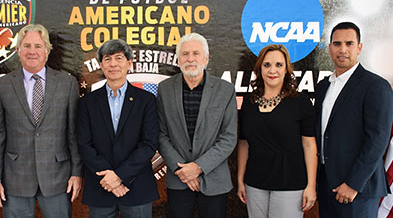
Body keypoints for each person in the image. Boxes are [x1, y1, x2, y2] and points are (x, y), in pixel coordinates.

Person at [0, 24, 82, 217]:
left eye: (38, 46)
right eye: (26, 46)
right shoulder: (3, 85)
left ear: (47, 51)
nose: (32, 52)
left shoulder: (67, 83)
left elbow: (73, 133)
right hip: (15, 178)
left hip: (58, 177)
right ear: (18, 51)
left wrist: (77, 173)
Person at [316, 22, 393, 217]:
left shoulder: (375, 86)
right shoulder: (323, 86)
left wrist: (353, 184)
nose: (342, 49)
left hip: (359, 189)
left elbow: (378, 139)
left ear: (359, 47)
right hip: (327, 185)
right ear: (330, 48)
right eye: (337, 43)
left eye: (349, 43)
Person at [157, 32, 237, 218]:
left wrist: (198, 167)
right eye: (185, 54)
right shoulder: (165, 89)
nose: (190, 59)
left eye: (196, 53)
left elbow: (229, 137)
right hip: (179, 179)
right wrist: (183, 170)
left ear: (206, 59)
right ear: (178, 60)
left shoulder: (225, 90)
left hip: (214, 179)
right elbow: (161, 134)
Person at [77, 39, 159, 218]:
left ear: (129, 63)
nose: (113, 64)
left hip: (137, 187)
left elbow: (149, 144)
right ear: (101, 65)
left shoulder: (147, 100)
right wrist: (109, 179)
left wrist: (119, 176)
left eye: (119, 58)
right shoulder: (87, 103)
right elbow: (84, 144)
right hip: (101, 187)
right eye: (107, 59)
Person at [236, 44, 317, 217]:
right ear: (259, 69)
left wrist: (311, 186)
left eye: (279, 65)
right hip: (254, 184)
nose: (272, 70)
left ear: (287, 69)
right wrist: (240, 180)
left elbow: (309, 146)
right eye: (267, 65)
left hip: (290, 185)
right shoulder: (250, 103)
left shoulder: (300, 102)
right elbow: (243, 144)